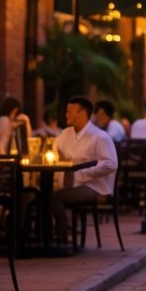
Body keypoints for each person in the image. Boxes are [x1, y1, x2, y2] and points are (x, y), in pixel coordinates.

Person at [49, 96, 119, 244]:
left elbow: (111, 164)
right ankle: (43, 236)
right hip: (67, 183)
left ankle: (62, 235)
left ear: (82, 113)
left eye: (70, 111)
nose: (66, 115)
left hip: (94, 187)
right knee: (38, 194)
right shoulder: (65, 134)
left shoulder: (100, 137)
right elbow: (54, 153)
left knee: (54, 198)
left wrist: (82, 174)